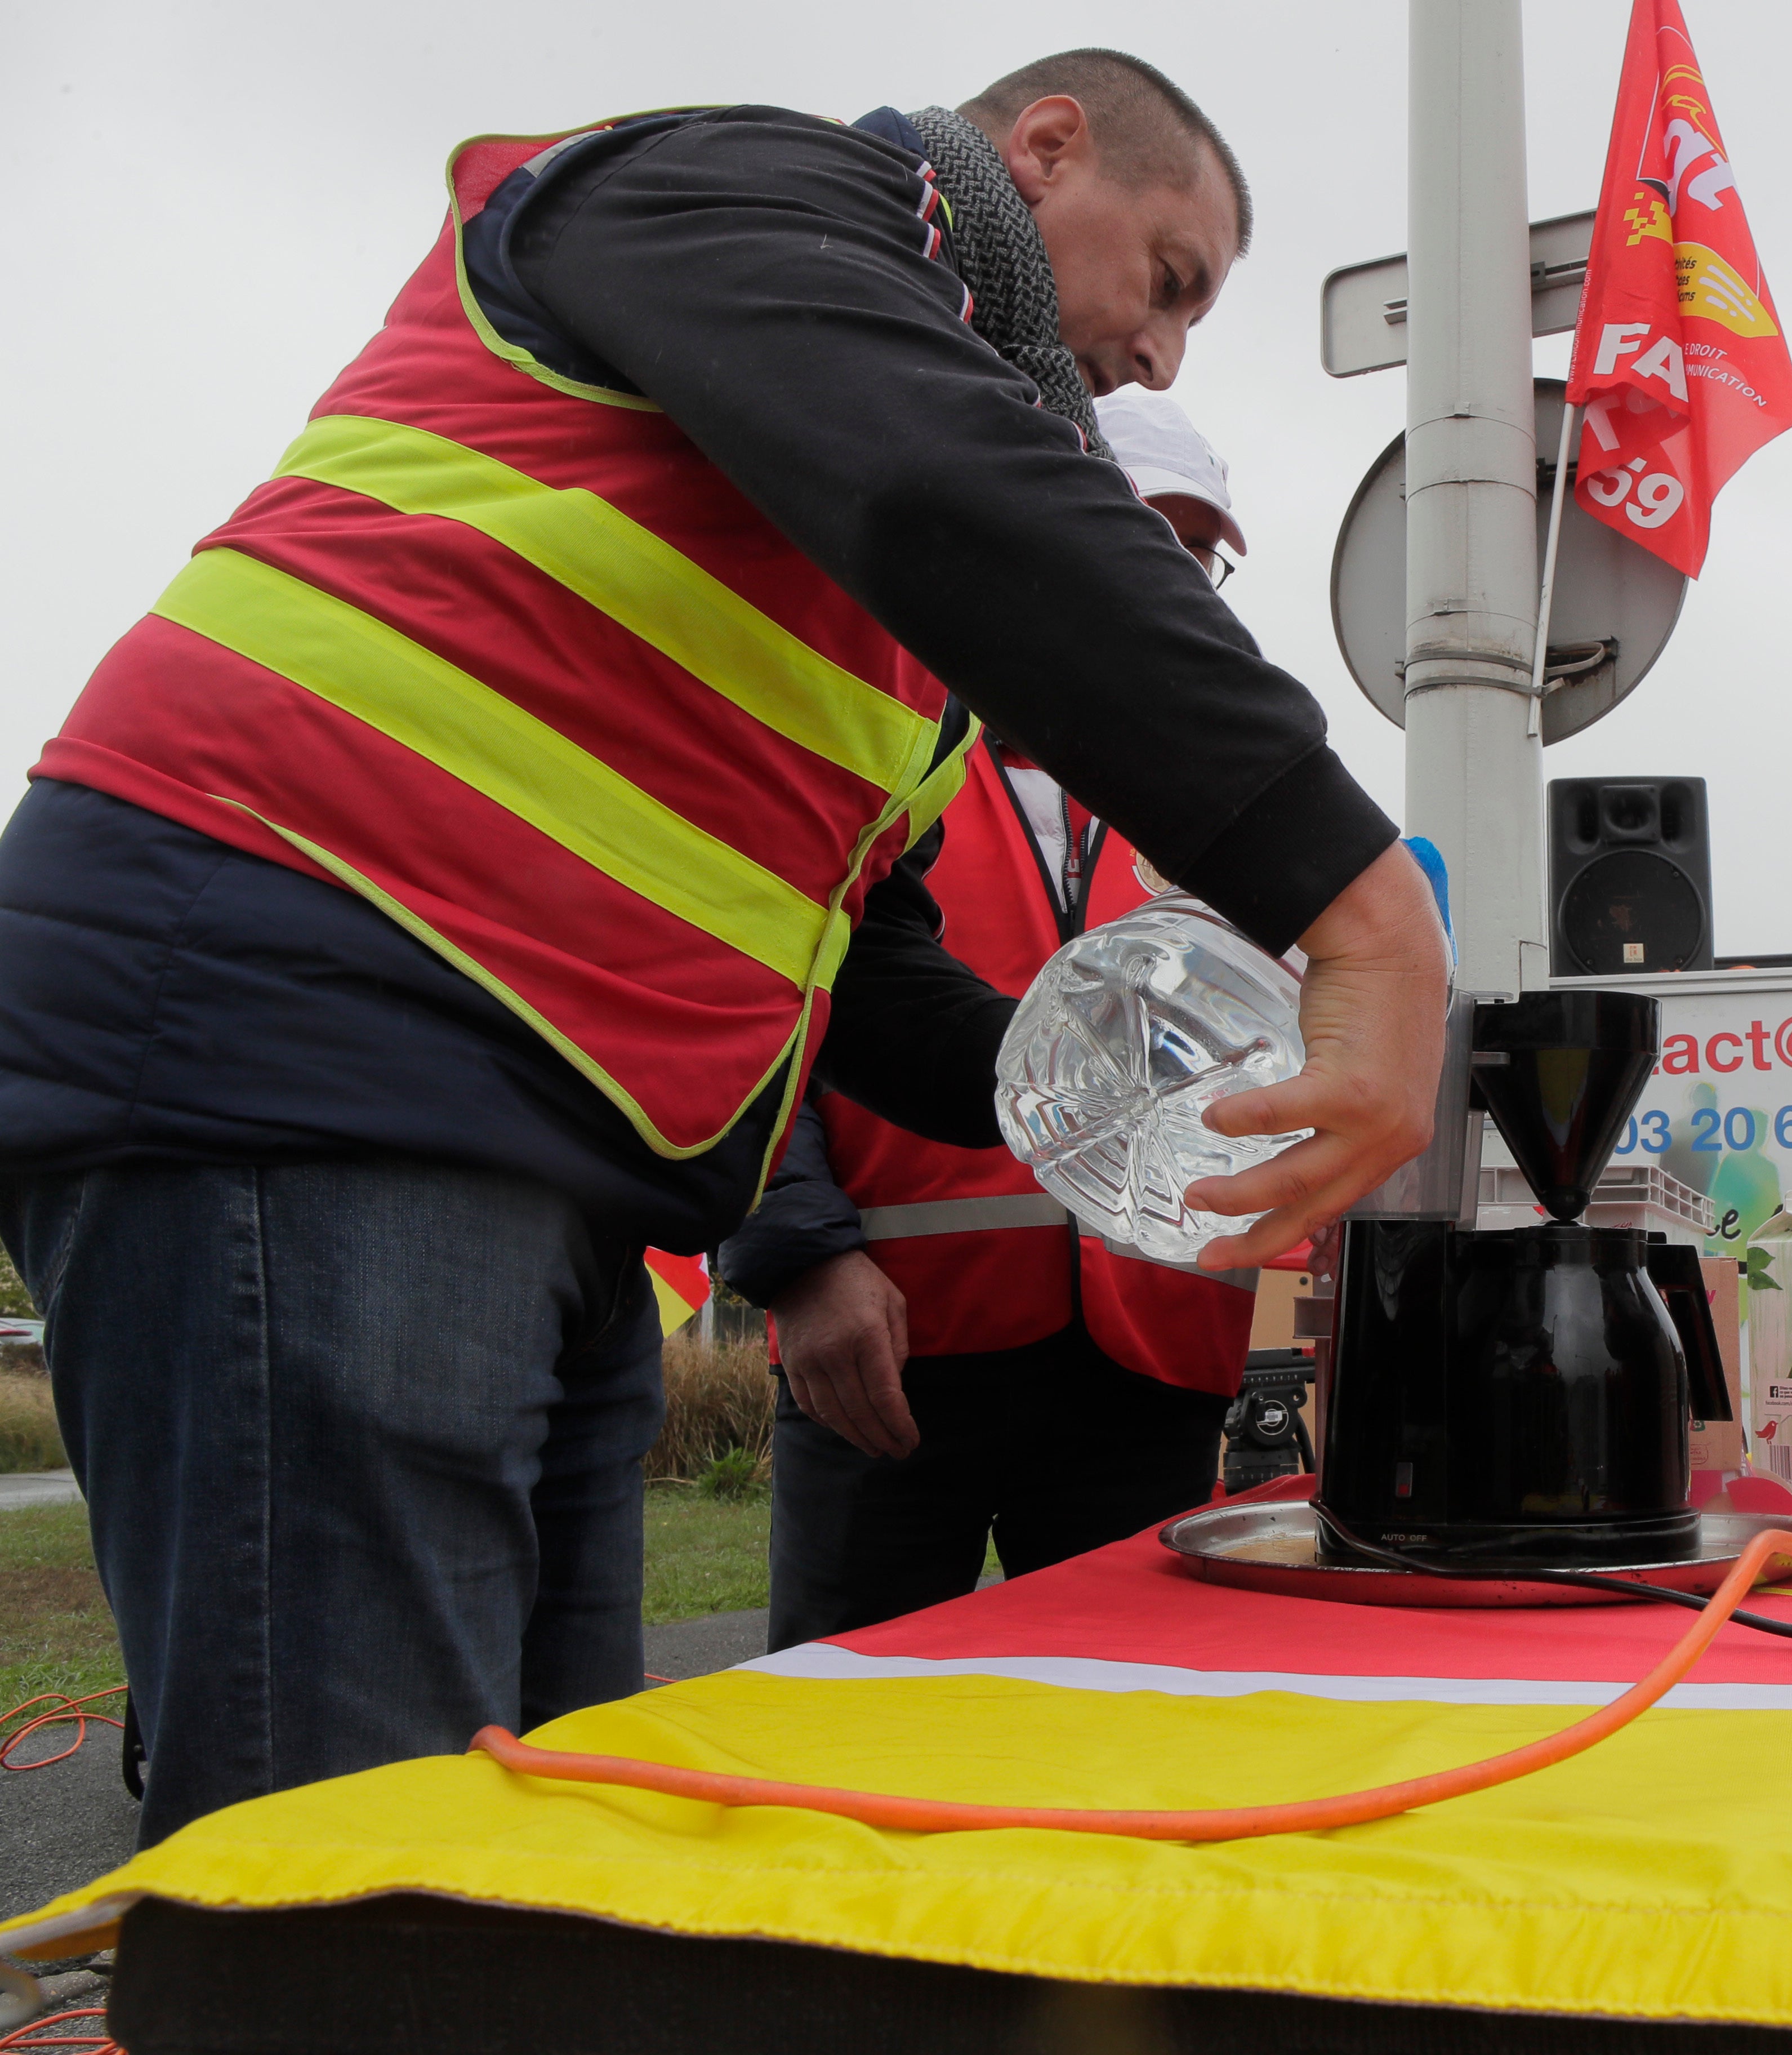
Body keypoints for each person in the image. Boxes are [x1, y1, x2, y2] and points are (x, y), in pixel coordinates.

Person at [0, 52, 1447, 1844]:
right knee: (358, 1859)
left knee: (546, 1839)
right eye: (1168, 281)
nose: (1160, 358)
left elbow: (861, 970)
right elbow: (949, 482)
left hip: (535, 1157)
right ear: (1044, 148)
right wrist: (1362, 907)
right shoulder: (746, 189)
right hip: (307, 1043)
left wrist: (1082, 1086)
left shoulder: (873, 637)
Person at [719, 389, 1261, 1649]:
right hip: (888, 1346)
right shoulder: (872, 744)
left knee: (1132, 1729)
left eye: (1197, 553)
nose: (1170, 578)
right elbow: (755, 1010)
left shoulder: (1229, 798)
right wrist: (800, 1260)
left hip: (1156, 1363)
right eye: (1147, 535)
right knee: (850, 1727)